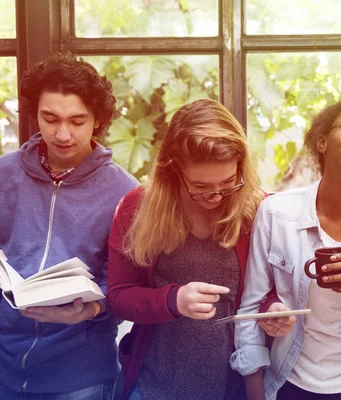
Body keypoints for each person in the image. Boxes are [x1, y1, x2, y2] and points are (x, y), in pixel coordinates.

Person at [0, 52, 138, 399]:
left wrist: (91, 310)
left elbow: (125, 282)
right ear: (34, 114)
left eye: (77, 121)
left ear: (97, 119)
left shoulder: (125, 191)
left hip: (80, 377)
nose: (62, 133)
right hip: (1, 371)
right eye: (49, 118)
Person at [232, 100, 341, 400]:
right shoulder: (277, 214)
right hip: (287, 386)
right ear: (323, 141)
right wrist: (255, 393)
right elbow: (251, 309)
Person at [106, 99, 270, 400]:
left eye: (229, 182)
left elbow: (270, 291)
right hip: (154, 384)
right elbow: (118, 296)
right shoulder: (137, 208)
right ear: (173, 170)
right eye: (200, 186)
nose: (216, 196)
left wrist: (273, 309)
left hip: (237, 385)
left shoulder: (259, 208)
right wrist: (173, 300)